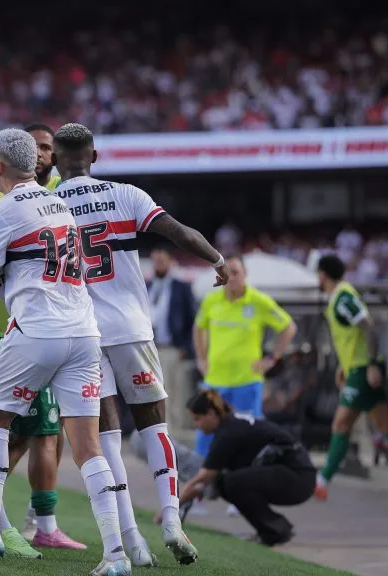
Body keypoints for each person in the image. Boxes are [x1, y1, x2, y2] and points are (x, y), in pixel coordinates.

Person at [0, 128, 130, 576]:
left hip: (37, 331)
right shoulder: (60, 205)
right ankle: (116, 555)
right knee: (87, 446)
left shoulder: (3, 212)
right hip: (85, 333)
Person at [52, 122, 227, 566]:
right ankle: (171, 519)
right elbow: (177, 233)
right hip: (132, 327)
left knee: (107, 438)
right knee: (155, 428)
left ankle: (132, 541)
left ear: (55, 160)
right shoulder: (127, 194)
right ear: (95, 156)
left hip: (83, 332)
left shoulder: (47, 203)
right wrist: (217, 260)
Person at [314, 254, 388, 500]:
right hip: (357, 367)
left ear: (323, 274)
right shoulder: (341, 297)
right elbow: (353, 335)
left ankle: (321, 482)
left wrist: (372, 364)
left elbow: (369, 325)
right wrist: (344, 365)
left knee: (341, 424)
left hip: (363, 370)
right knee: (386, 425)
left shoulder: (343, 298)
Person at [180, 389, 316, 546]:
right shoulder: (231, 424)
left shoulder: (228, 433)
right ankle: (270, 531)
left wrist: (169, 511)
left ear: (211, 413)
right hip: (294, 476)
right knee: (225, 483)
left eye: (198, 419)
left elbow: (202, 478)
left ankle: (276, 531)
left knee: (230, 482)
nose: (197, 425)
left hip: (298, 478)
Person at [193, 256, 297, 456]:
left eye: (235, 272)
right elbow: (198, 327)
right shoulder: (211, 300)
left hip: (246, 382)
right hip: (214, 381)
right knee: (206, 435)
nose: (231, 277)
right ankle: (202, 479)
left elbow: (288, 327)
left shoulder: (258, 301)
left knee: (249, 435)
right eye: (226, 272)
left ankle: (248, 477)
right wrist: (201, 357)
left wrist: (272, 359)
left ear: (245, 275)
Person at [147, 247, 199, 430]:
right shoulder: (148, 286)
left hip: (172, 347)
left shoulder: (181, 287)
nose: (158, 264)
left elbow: (192, 319)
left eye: (162, 261)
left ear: (170, 262)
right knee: (155, 392)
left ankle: (175, 433)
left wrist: (186, 347)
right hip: (150, 348)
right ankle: (159, 431)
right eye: (156, 261)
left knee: (174, 392)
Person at [25, 124, 60, 190]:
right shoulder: (2, 195)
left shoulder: (67, 189)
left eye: (45, 148)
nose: (38, 154)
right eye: (30, 147)